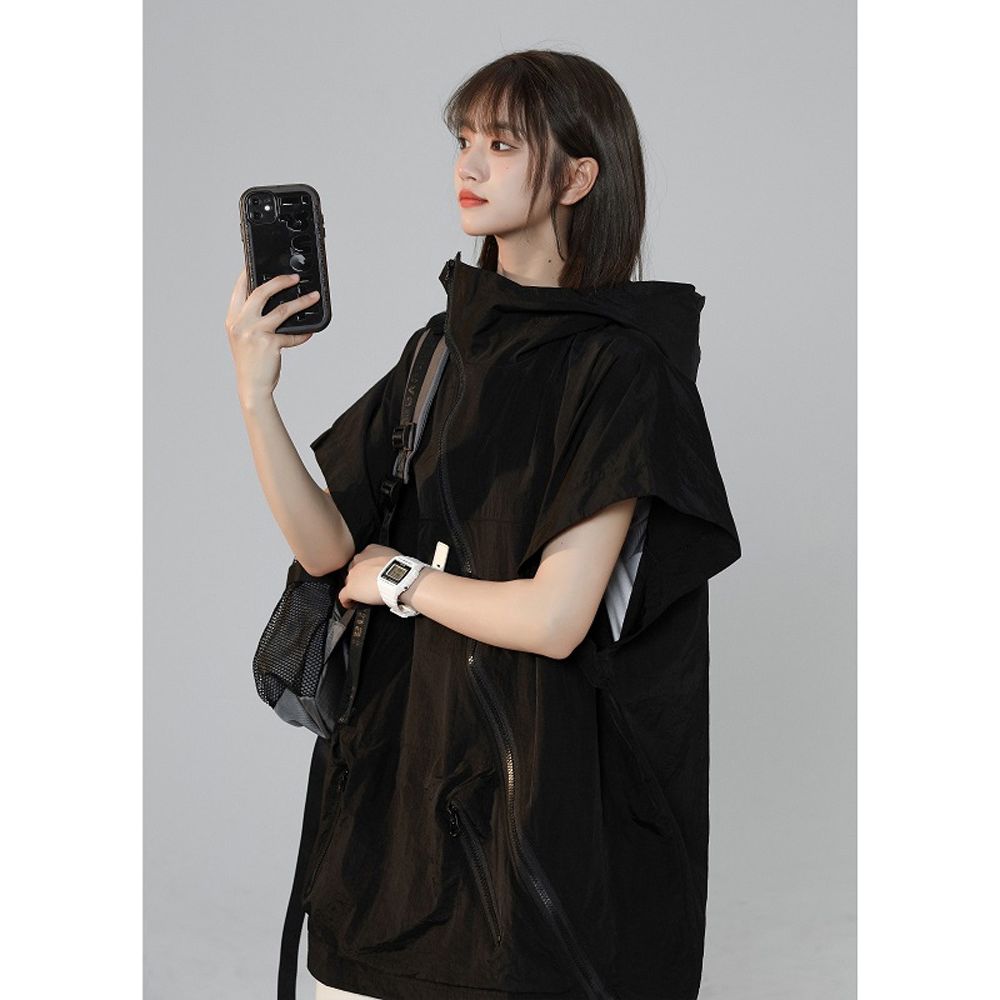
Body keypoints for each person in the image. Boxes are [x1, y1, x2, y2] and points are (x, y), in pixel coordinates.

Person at [226, 48, 741, 1000]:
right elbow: (328, 549)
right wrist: (257, 396)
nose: (468, 164)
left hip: (530, 824)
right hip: (397, 798)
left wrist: (401, 579)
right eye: (465, 139)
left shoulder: (623, 371)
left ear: (577, 177)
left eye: (502, 144)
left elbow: (556, 618)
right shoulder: (439, 351)